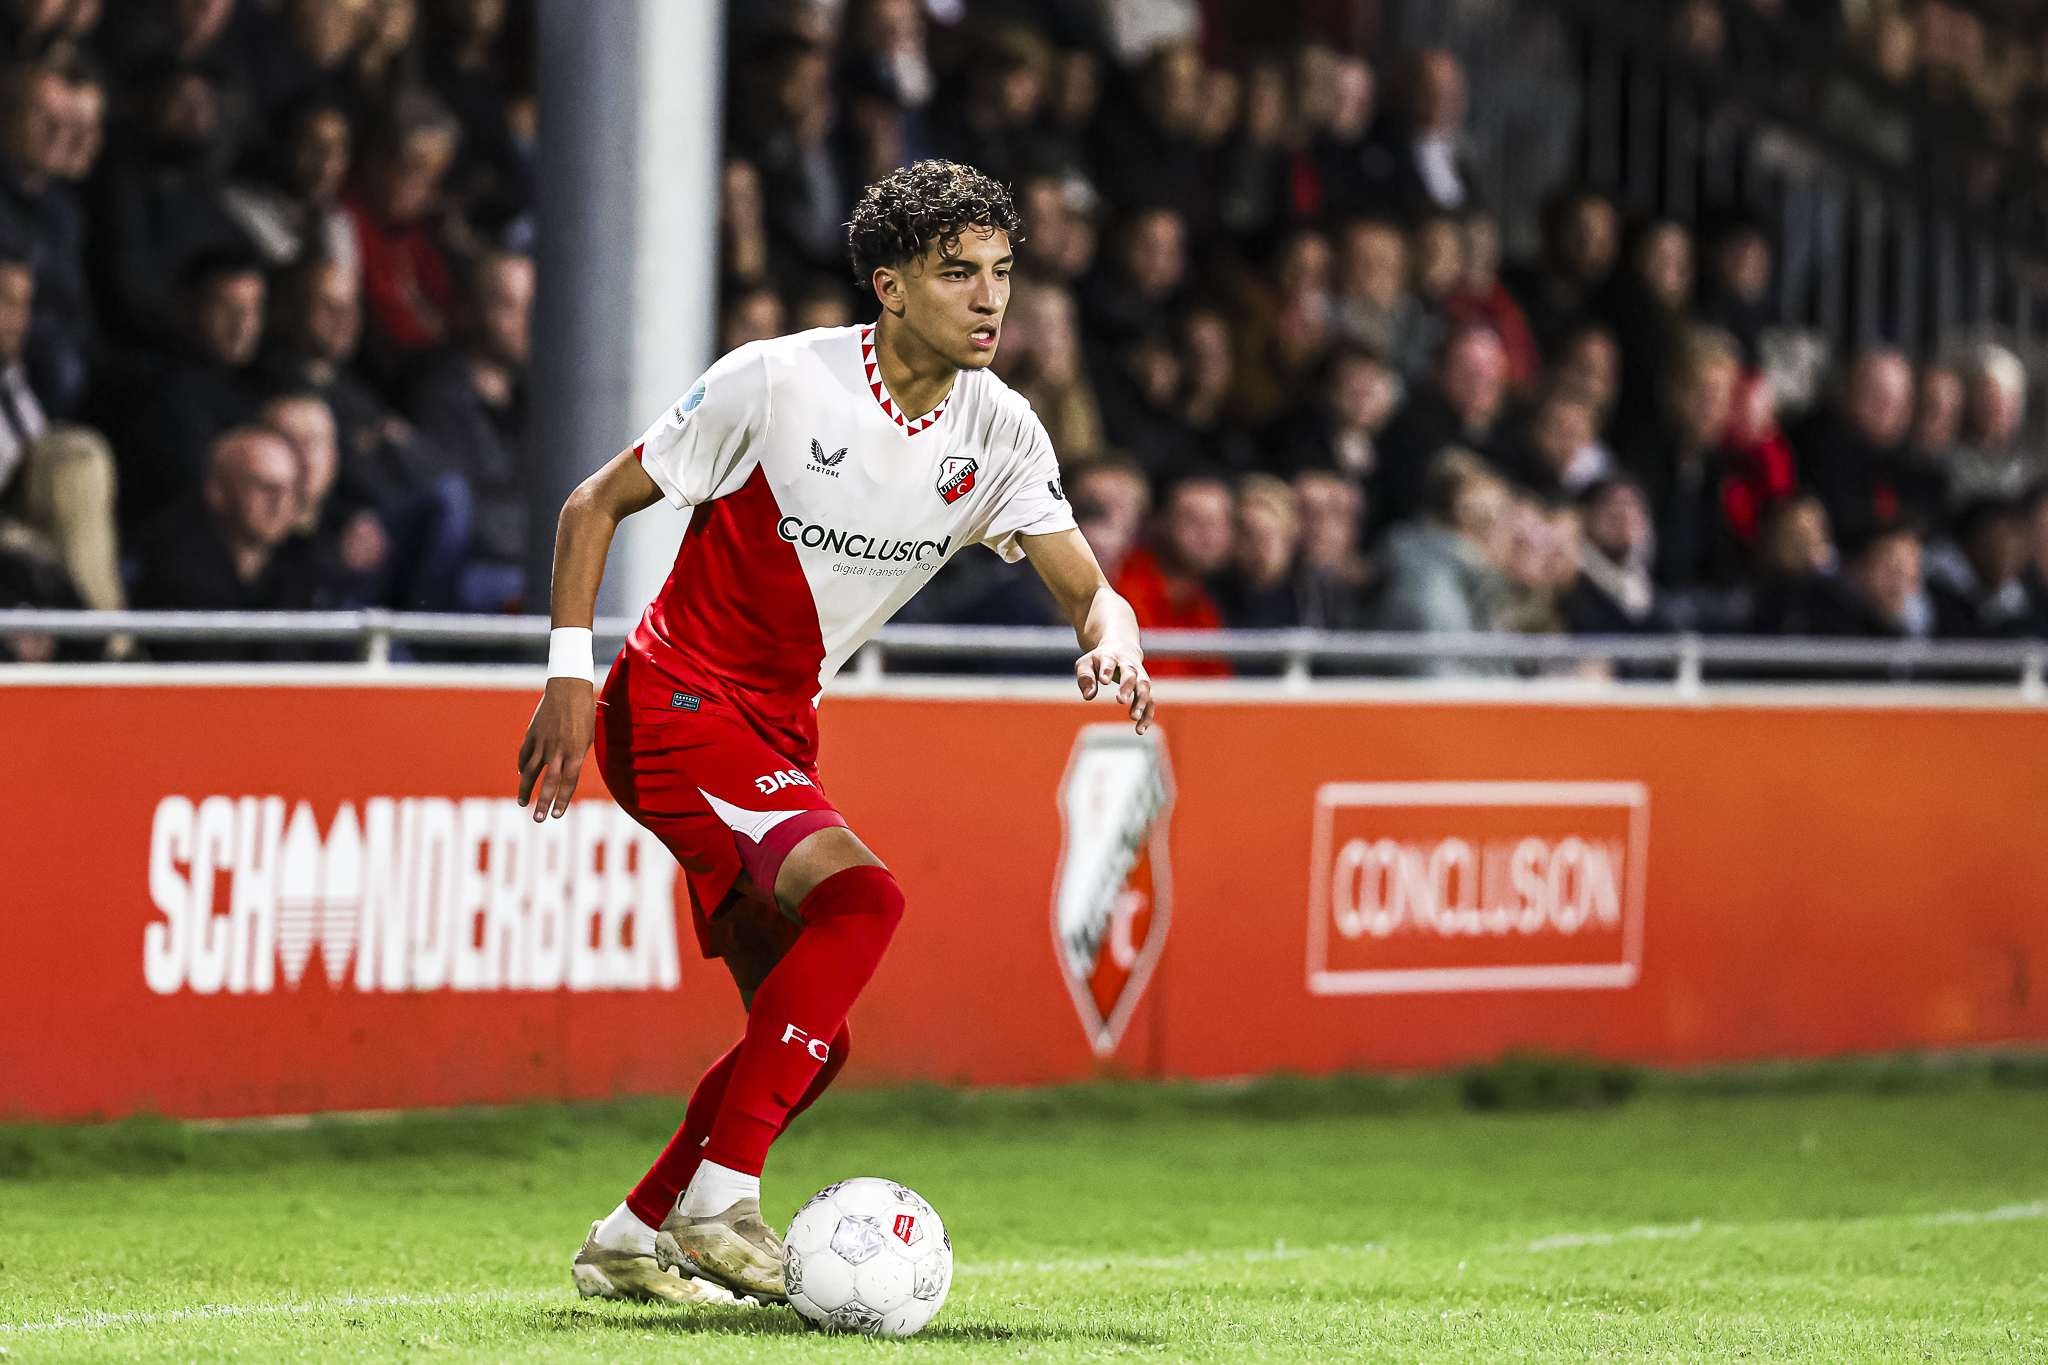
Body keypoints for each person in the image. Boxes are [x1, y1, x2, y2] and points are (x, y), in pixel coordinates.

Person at [518, 161, 1152, 1307]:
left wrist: (1117, 639)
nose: (988, 298)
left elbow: (1087, 592)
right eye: (957, 273)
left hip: (776, 729)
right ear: (889, 286)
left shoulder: (1000, 431)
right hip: (671, 701)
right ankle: (721, 1207)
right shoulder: (776, 382)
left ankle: (627, 1238)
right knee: (863, 900)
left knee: (808, 1039)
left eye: (1000, 272)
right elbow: (590, 502)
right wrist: (568, 675)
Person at [131, 425, 324, 658]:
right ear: (217, 491)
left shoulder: (303, 560)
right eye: (264, 487)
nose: (279, 502)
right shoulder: (174, 560)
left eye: (289, 489)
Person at [408, 250, 532, 611]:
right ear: (472, 312)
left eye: (531, 305)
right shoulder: (441, 397)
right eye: (508, 305)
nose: (525, 320)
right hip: (473, 579)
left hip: (529, 562)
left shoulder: (541, 400)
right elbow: (463, 513)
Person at [0, 252, 120, 618]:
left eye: (26, 304)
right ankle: (105, 636)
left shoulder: (12, 377)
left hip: (28, 528)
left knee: (80, 455)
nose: (20, 320)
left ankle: (100, 632)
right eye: (6, 302)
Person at [1114, 471, 1232, 675]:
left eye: (1219, 521)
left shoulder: (1216, 598)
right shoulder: (1121, 585)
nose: (1209, 534)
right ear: (1157, 522)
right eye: (1192, 520)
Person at [1561, 476, 1674, 635]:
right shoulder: (1570, 589)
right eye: (1613, 506)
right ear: (1586, 515)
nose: (1624, 515)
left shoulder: (1653, 592)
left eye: (1633, 505)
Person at [1947, 343, 2043, 508]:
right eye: (1991, 398)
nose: (2000, 409)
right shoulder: (1948, 466)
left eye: (2009, 400)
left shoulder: (2028, 472)